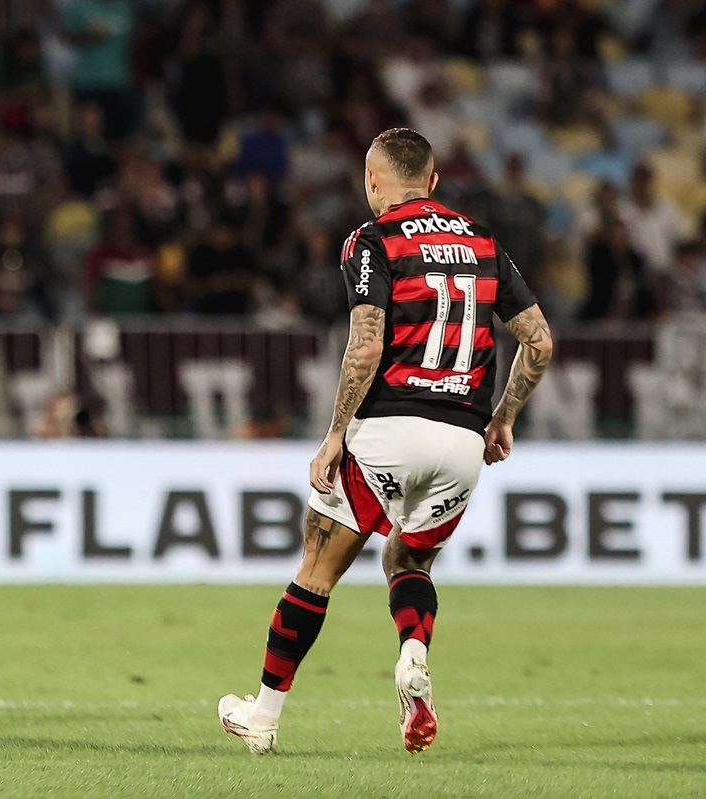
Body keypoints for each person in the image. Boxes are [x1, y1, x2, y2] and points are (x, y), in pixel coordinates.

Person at [218, 128, 553, 755]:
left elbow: (367, 342)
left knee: (317, 570)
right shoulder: (483, 241)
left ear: (372, 180)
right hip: (462, 442)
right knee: (407, 560)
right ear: (432, 182)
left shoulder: (372, 239)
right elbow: (540, 341)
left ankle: (262, 715)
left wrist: (335, 433)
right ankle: (413, 654)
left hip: (388, 430)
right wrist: (504, 418)